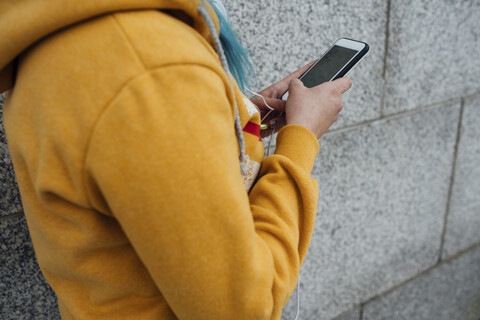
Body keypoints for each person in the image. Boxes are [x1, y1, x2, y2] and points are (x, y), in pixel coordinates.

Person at [0, 0, 351, 319]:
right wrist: (300, 138)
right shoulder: (151, 68)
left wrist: (232, 114)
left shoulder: (52, 43)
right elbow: (243, 308)